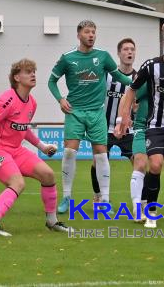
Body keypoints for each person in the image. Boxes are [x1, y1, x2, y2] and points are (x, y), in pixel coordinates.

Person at [0, 59, 68, 236]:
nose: (33, 74)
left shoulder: (32, 102)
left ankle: (52, 221)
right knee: (18, 183)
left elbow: (23, 128)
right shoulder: (7, 99)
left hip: (15, 149)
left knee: (48, 175)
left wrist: (41, 146)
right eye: (28, 71)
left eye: (34, 71)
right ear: (17, 77)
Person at [48, 20, 131, 214]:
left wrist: (136, 82)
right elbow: (52, 81)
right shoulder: (68, 58)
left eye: (93, 32)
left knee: (101, 154)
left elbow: (120, 77)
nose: (91, 35)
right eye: (87, 32)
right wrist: (60, 99)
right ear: (79, 35)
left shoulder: (103, 56)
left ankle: (105, 200)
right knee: (69, 152)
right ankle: (67, 197)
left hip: (96, 112)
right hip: (74, 112)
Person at [117, 31, 164, 228]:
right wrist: (123, 119)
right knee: (145, 164)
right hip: (147, 128)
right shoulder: (153, 72)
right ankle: (140, 209)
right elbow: (130, 93)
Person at [90, 38, 137, 203]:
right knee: (97, 162)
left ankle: (139, 202)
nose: (129, 52)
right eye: (125, 49)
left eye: (132, 49)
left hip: (128, 130)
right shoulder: (108, 75)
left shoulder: (138, 77)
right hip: (104, 128)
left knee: (139, 164)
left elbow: (140, 103)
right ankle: (98, 196)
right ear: (119, 53)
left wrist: (133, 117)